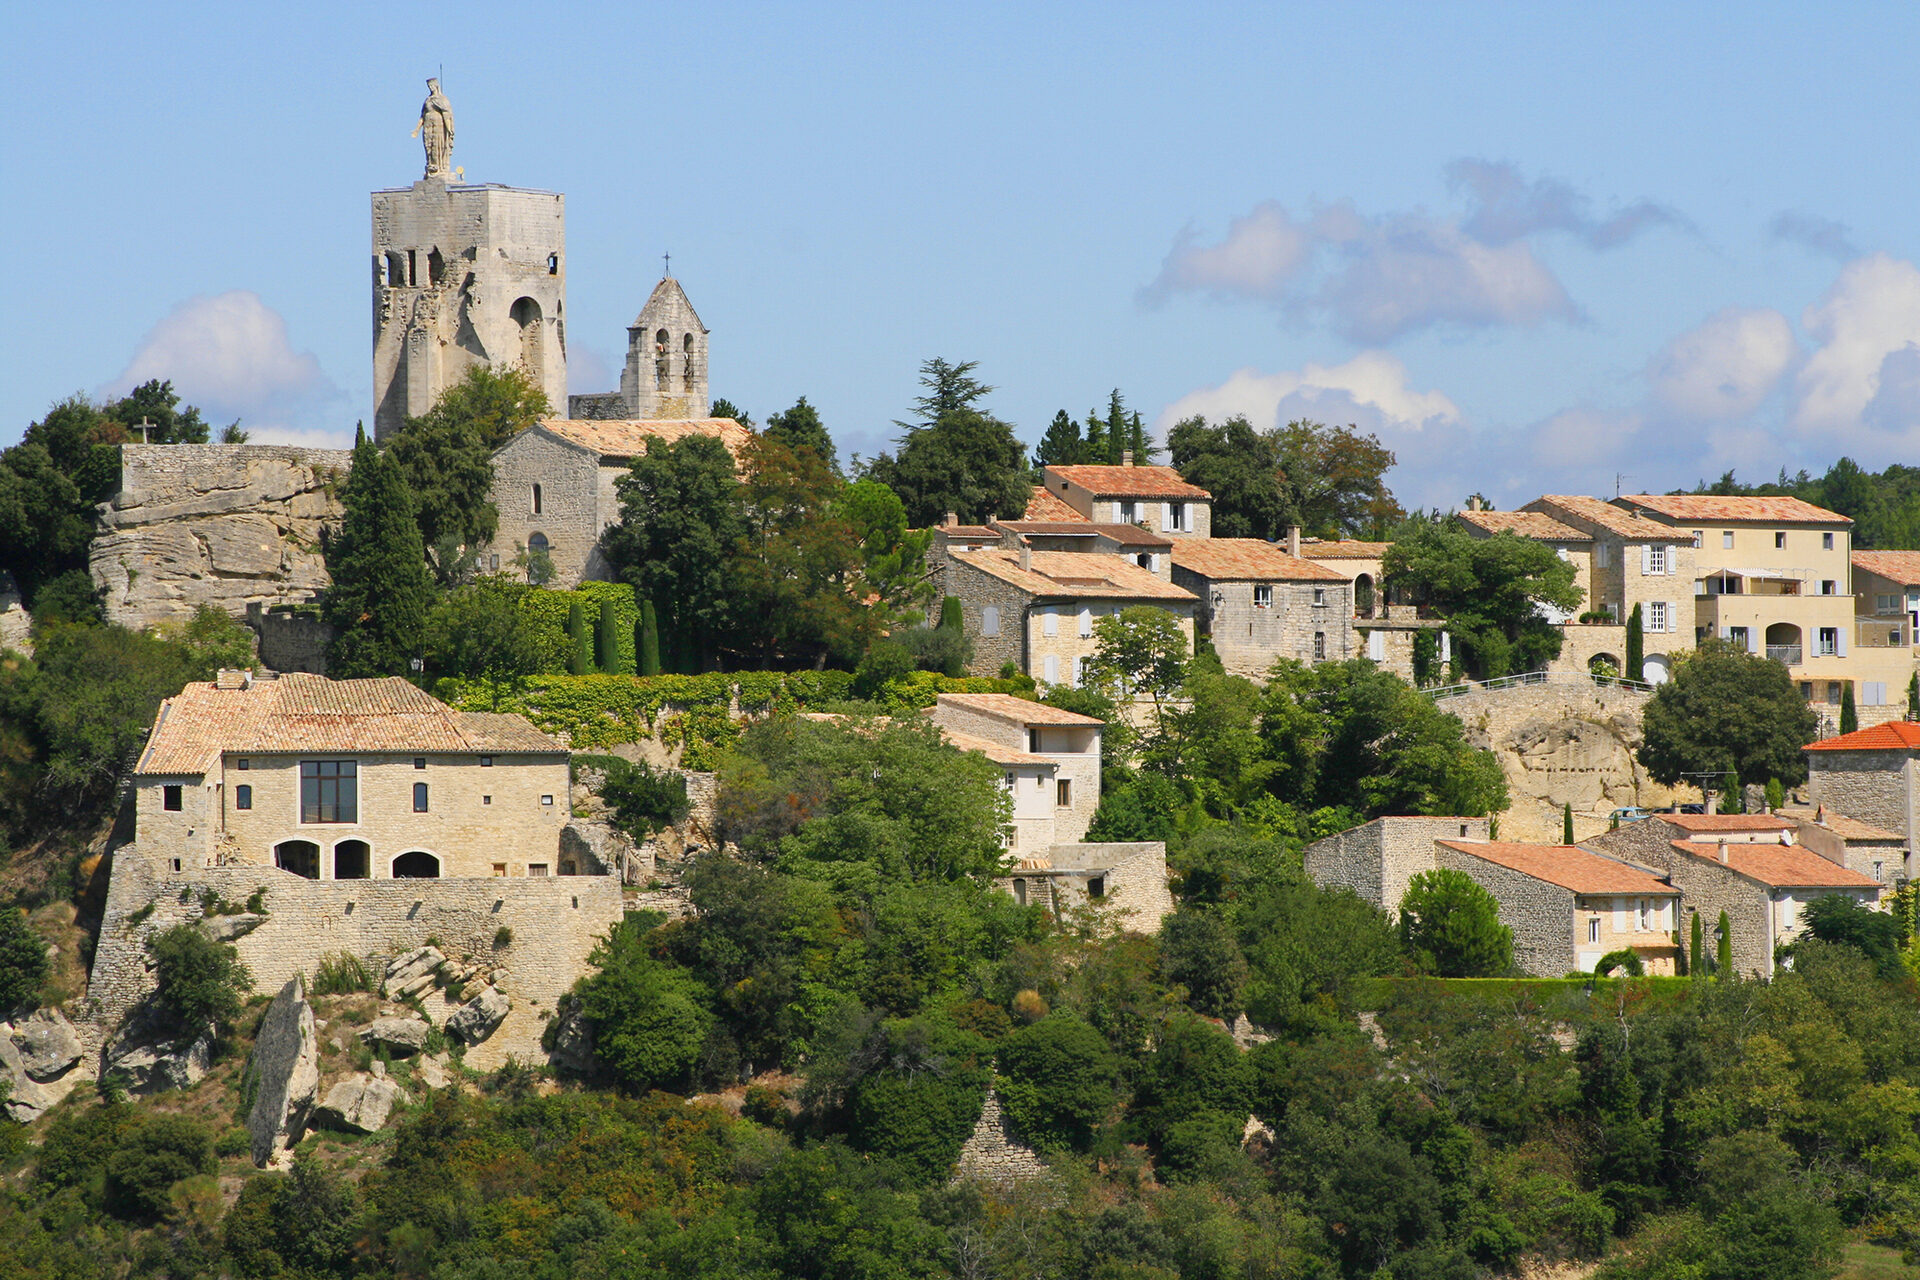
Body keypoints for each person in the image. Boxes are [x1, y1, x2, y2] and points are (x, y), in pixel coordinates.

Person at [412, 78, 455, 177]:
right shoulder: (427, 100)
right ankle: (430, 165)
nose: (430, 88)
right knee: (429, 146)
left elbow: (446, 114)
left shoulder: (442, 99)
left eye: (432, 86)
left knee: (438, 145)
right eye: (429, 86)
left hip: (439, 125)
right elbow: (422, 116)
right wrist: (416, 130)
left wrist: (449, 129)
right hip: (428, 126)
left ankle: (440, 167)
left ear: (436, 86)